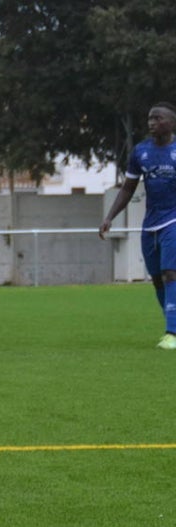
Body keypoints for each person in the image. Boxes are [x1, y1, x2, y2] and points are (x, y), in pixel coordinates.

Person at [99, 102, 176, 350]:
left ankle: (172, 332)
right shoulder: (141, 152)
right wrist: (110, 217)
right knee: (156, 279)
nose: (152, 123)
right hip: (150, 223)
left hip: (174, 220)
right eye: (150, 119)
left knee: (171, 273)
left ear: (172, 123)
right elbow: (128, 188)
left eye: (158, 118)